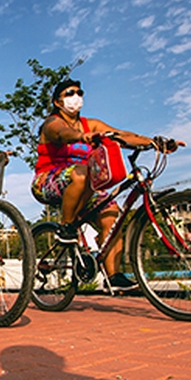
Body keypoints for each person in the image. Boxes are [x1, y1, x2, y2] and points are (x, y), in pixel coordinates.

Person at [31, 78, 171, 290]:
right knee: (83, 172)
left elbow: (122, 135)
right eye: (69, 94)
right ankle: (66, 228)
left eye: (79, 93)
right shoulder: (51, 123)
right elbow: (61, 133)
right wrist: (81, 136)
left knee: (112, 216)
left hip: (86, 185)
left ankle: (113, 276)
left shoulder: (91, 124)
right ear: (58, 102)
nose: (76, 97)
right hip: (48, 181)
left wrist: (155, 142)